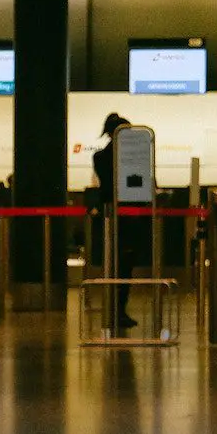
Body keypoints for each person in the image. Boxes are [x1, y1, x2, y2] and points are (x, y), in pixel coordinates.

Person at [91, 113, 149, 330]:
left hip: (114, 217)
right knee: (123, 266)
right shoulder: (117, 158)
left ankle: (117, 310)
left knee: (120, 265)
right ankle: (117, 310)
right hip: (125, 218)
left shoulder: (101, 157)